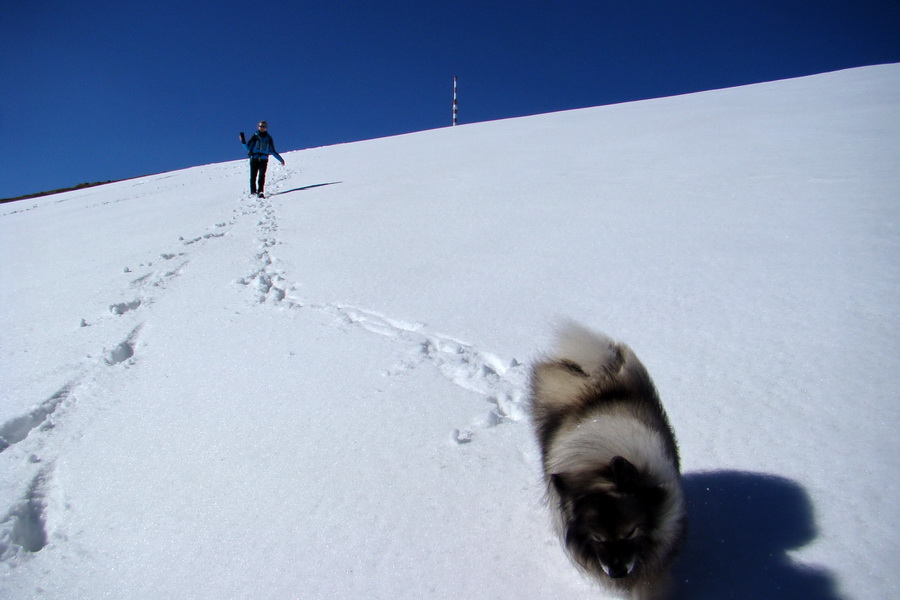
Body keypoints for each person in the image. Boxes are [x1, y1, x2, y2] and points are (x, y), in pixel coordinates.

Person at [239, 121, 285, 197]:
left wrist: (281, 159)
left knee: (262, 175)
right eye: (261, 126)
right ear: (258, 127)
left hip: (264, 159)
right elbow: (248, 147)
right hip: (254, 158)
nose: (262, 128)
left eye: (264, 126)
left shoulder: (268, 138)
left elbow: (272, 150)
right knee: (253, 176)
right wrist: (243, 142)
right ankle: (253, 192)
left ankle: (260, 191)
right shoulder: (255, 136)